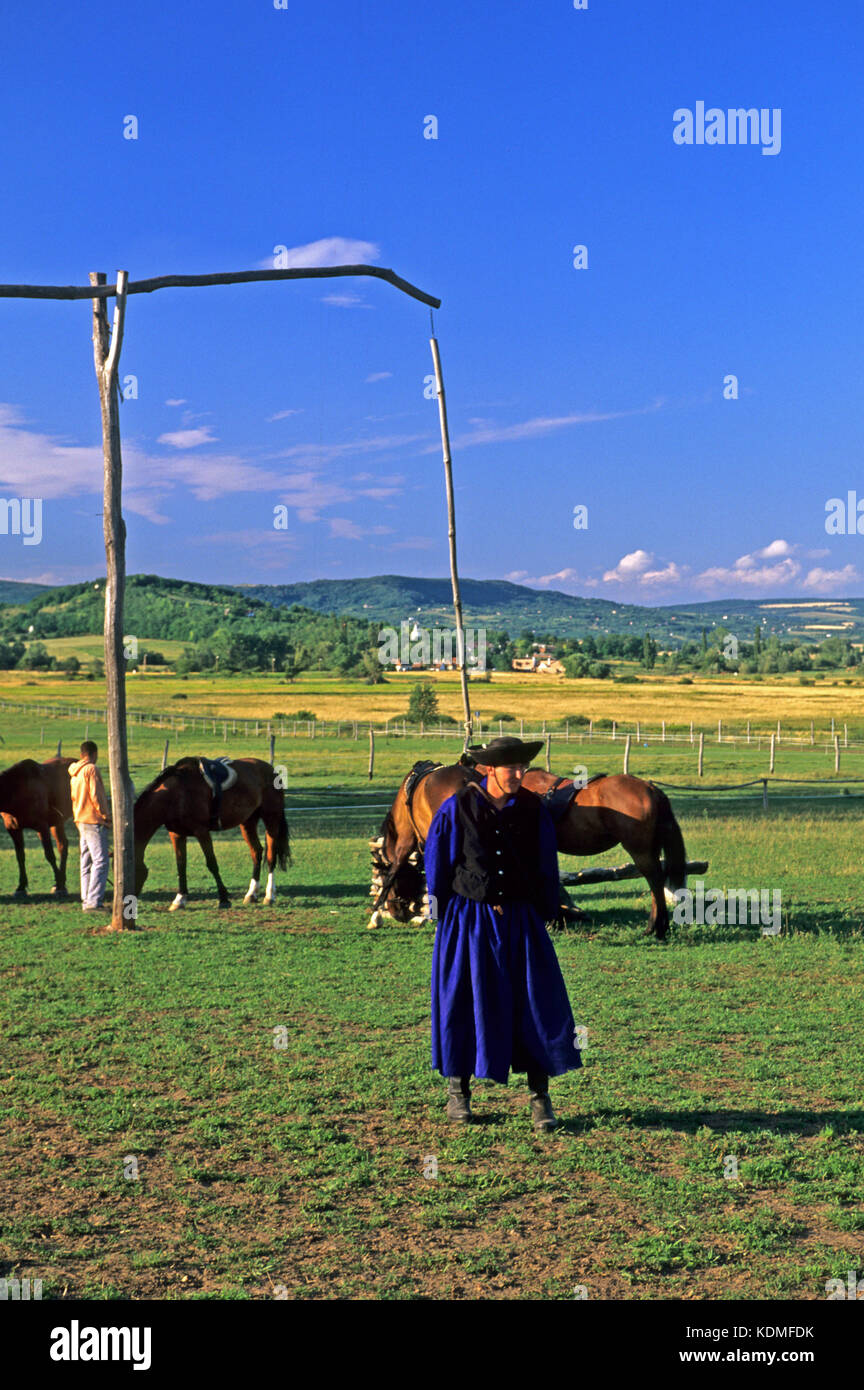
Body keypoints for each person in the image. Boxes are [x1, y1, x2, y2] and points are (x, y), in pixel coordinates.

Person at [424, 735, 582, 1132]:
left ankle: (539, 1098)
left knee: (534, 1002)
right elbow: (438, 867)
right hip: (468, 920)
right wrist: (448, 918)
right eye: (510, 767)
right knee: (462, 998)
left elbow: (547, 863)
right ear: (489, 769)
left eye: (522, 767)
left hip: (521, 920)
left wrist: (544, 910)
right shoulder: (455, 809)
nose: (518, 774)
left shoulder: (533, 810)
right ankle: (458, 1092)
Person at [69, 741, 111, 912]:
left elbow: (73, 797)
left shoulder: (74, 773)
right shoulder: (91, 769)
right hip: (93, 820)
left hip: (80, 819)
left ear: (81, 754)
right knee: (101, 861)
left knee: (86, 861)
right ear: (95, 753)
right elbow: (96, 795)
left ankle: (86, 899)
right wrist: (106, 816)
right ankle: (94, 902)